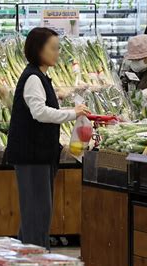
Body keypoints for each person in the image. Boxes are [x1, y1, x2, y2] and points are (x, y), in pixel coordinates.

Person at [5, 27, 89, 249]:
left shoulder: (39, 76)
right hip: (32, 155)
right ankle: (37, 259)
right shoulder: (33, 77)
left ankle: (27, 257)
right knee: (37, 211)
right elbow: (39, 112)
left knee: (37, 211)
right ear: (38, 50)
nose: (57, 53)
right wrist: (73, 113)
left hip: (39, 154)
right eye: (53, 48)